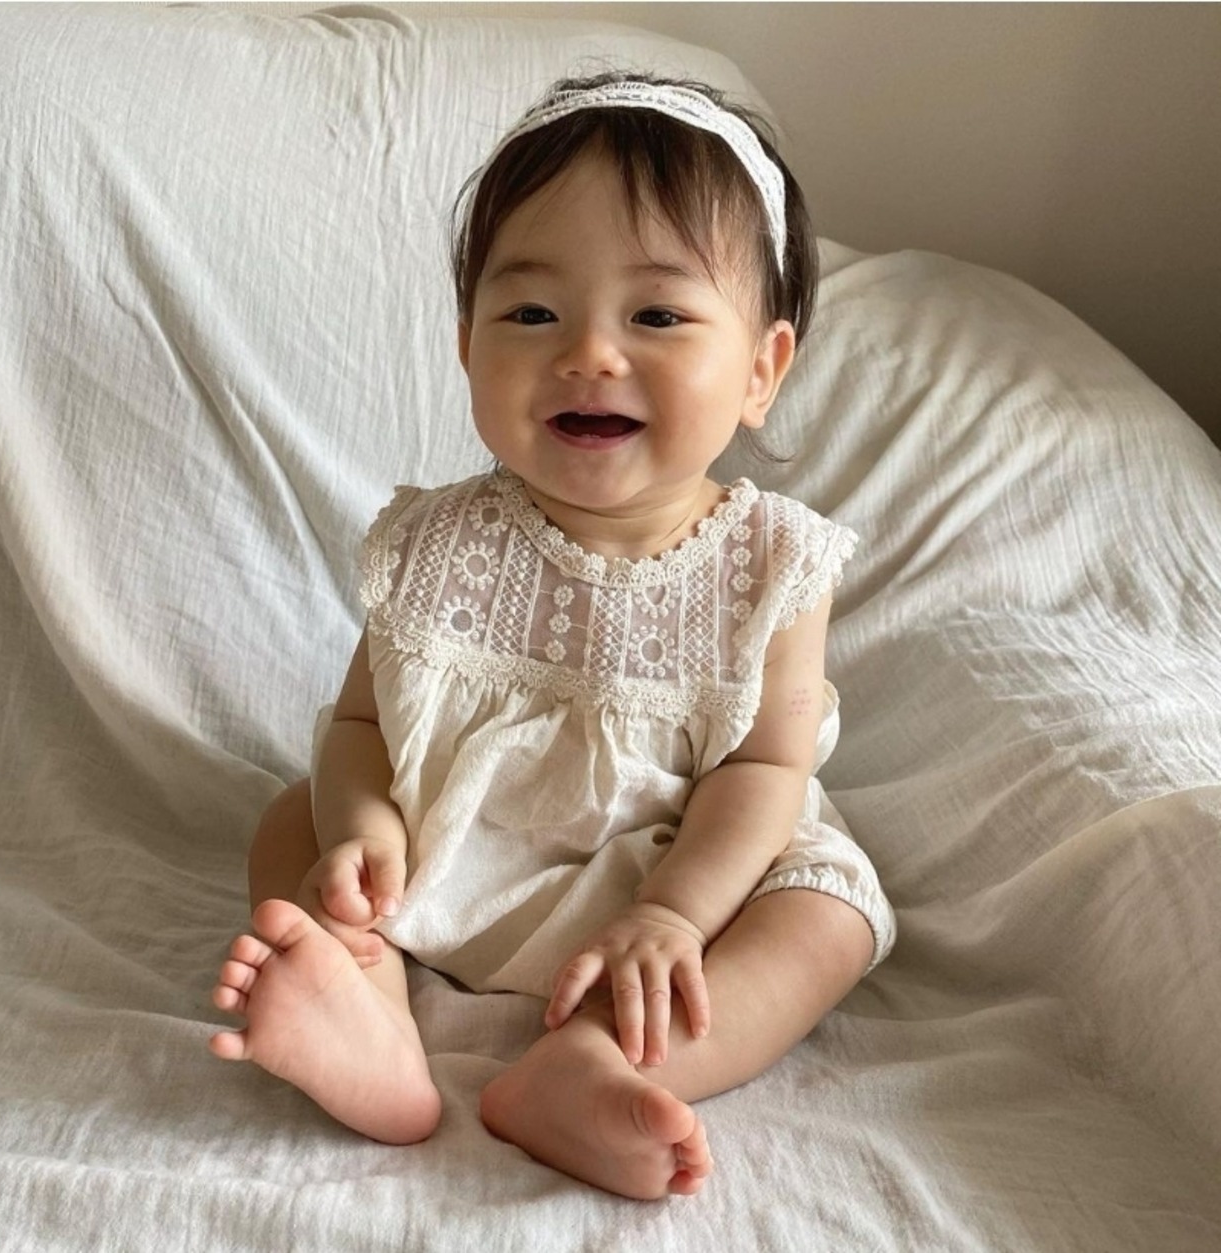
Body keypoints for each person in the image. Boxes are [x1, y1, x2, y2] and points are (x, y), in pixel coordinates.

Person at [209, 72, 895, 1201]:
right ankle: (367, 1008)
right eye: (531, 313)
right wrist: (363, 833)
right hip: (458, 854)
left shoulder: (770, 563)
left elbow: (764, 771)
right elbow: (363, 725)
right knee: (293, 821)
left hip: (683, 877)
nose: (588, 353)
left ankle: (600, 1061)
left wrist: (672, 912)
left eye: (657, 315)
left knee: (827, 913)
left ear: (761, 369)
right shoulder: (433, 542)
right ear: (466, 345)